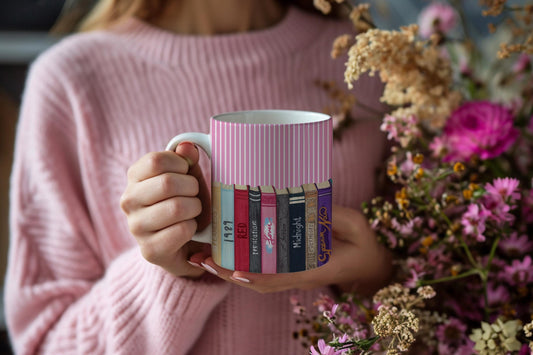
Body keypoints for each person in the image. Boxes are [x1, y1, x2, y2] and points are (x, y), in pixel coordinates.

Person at [5, 0, 393, 353]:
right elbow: (44, 342)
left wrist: (374, 278)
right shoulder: (72, 81)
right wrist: (169, 272)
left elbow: (448, 311)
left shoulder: (371, 59)